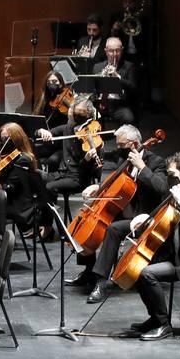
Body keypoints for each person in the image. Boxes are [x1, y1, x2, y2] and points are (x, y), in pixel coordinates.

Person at [115, 152, 180, 340]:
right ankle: (155, 318)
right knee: (137, 270)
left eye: (172, 174)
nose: (169, 178)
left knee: (147, 274)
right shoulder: (175, 191)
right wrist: (146, 220)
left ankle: (163, 324)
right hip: (175, 253)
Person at [73, 124, 169, 300]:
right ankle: (89, 271)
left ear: (134, 144)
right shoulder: (123, 160)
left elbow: (162, 188)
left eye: (121, 145)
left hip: (143, 217)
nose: (118, 149)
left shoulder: (156, 162)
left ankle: (101, 283)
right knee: (90, 225)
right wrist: (98, 188)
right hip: (124, 209)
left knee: (113, 229)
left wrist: (142, 168)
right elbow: (117, 184)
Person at [0, 123, 44, 233]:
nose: (3, 142)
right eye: (1, 139)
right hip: (6, 198)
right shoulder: (5, 158)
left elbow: (9, 188)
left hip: (15, 204)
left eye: (7, 139)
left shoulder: (23, 159)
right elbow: (0, 179)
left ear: (17, 139)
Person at [37, 99, 103, 199]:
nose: (75, 118)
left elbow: (87, 171)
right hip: (61, 173)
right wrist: (41, 131)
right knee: (35, 178)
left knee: (48, 187)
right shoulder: (67, 128)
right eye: (74, 114)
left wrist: (86, 159)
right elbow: (46, 132)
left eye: (80, 116)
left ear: (88, 116)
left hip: (77, 178)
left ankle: (51, 212)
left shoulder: (93, 138)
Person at [97, 37, 137, 124]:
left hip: (119, 105)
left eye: (118, 50)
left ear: (122, 50)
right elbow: (93, 87)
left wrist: (117, 77)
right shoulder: (97, 67)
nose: (115, 54)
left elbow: (133, 87)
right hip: (100, 103)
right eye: (111, 51)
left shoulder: (129, 66)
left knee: (129, 117)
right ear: (106, 51)